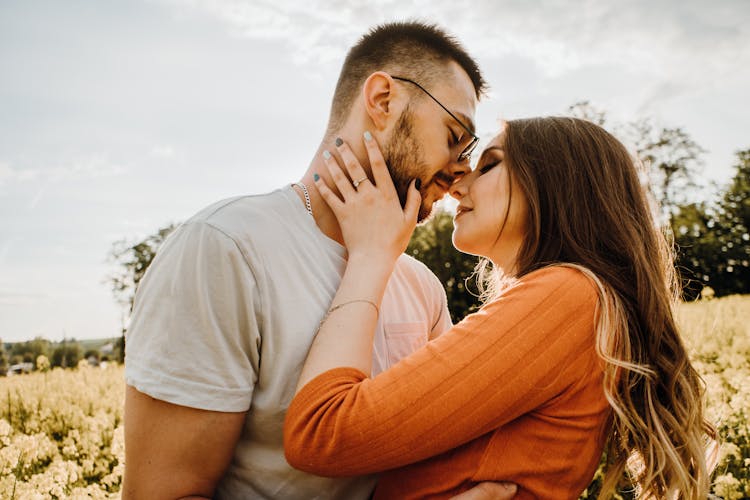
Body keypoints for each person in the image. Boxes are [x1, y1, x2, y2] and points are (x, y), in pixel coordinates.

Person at [122, 21, 518, 500]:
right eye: (455, 135)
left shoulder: (423, 287)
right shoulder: (224, 249)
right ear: (382, 100)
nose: (461, 172)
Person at [283, 117, 717, 499]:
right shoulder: (577, 302)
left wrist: (370, 256)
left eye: (489, 165)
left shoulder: (568, 297)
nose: (457, 186)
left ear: (557, 184)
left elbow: (322, 433)